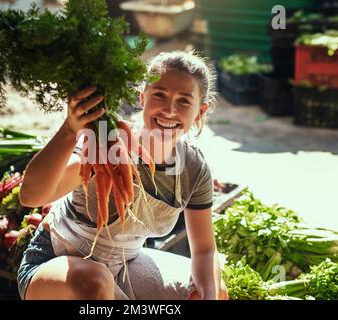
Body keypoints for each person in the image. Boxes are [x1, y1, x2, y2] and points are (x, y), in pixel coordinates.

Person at [17, 50, 229, 300]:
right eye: (160, 95)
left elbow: (204, 251)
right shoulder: (109, 143)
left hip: (125, 265)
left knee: (210, 291)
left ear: (200, 112)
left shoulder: (193, 168)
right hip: (57, 266)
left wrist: (209, 297)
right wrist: (69, 129)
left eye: (184, 101)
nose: (170, 110)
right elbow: (31, 196)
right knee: (95, 284)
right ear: (143, 97)